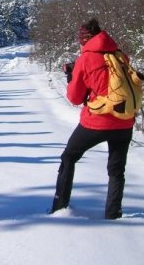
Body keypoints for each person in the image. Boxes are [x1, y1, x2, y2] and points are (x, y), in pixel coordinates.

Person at [50, 18, 135, 219]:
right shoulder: (119, 54)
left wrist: (71, 75)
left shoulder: (86, 58)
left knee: (69, 157)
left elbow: (74, 97)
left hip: (97, 121)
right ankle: (113, 213)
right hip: (124, 120)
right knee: (116, 170)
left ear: (84, 40)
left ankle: (60, 207)